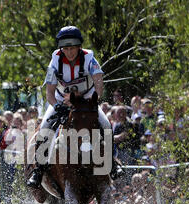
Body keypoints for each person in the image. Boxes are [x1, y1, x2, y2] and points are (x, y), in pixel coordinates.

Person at [26, 26, 123, 188]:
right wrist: (57, 107)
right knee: (45, 128)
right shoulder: (55, 61)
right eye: (66, 49)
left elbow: (99, 85)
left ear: (79, 47)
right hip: (61, 100)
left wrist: (92, 102)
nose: (69, 52)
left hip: (86, 101)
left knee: (105, 124)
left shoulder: (90, 59)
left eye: (72, 48)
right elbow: (49, 92)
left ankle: (112, 163)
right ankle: (39, 170)